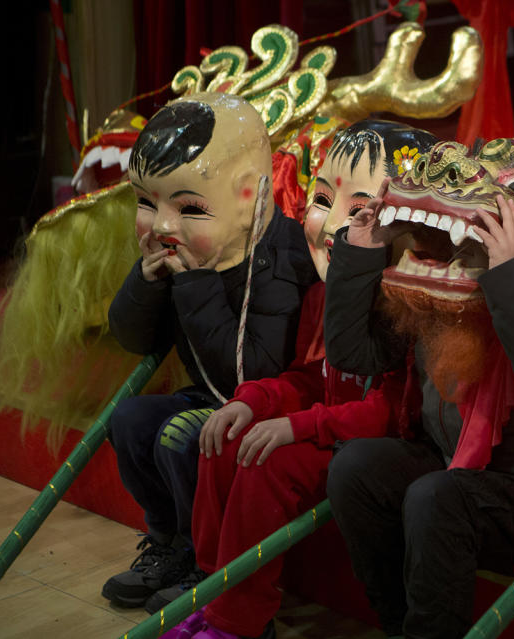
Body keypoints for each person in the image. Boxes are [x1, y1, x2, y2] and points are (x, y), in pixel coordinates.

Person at [160, 120, 438, 639]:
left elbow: (389, 412)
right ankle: (215, 589)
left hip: (371, 449)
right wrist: (253, 401)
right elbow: (310, 378)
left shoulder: (411, 309)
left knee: (268, 460)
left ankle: (238, 622)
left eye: (359, 212)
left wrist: (297, 428)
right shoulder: (321, 297)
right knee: (223, 441)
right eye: (323, 199)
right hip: (326, 431)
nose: (333, 224)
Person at [322, 141, 514, 638]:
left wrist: (507, 276)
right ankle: (398, 624)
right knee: (356, 468)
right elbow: (356, 355)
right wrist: (362, 246)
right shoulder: (440, 294)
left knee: (438, 498)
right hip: (449, 465)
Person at [101, 92, 318, 612]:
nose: (162, 227)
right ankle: (169, 540)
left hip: (269, 404)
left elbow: (253, 370)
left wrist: (195, 287)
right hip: (208, 394)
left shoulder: (282, 258)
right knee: (130, 419)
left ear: (249, 198)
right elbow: (133, 338)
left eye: (189, 207)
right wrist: (147, 284)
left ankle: (209, 557)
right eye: (147, 203)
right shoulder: (181, 255)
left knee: (183, 436)